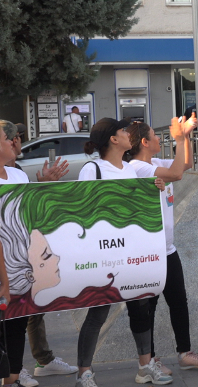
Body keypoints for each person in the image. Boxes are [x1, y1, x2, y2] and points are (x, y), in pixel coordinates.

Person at [76, 118, 172, 387]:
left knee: (140, 307)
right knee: (98, 313)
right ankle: (84, 372)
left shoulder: (130, 169)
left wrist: (154, 190)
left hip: (131, 253)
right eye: (122, 131)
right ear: (112, 139)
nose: (128, 134)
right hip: (103, 255)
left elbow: (140, 205)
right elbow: (84, 210)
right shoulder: (93, 169)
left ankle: (145, 367)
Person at [125, 115, 198, 373]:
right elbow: (176, 173)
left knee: (179, 302)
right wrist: (177, 137)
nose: (158, 139)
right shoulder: (136, 168)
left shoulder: (154, 163)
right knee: (147, 308)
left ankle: (185, 353)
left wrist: (185, 136)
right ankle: (149, 359)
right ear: (144, 141)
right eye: (155, 135)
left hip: (167, 249)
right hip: (147, 251)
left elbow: (184, 164)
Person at [0, 121, 76, 387]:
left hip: (19, 272)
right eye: (6, 139)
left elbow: (29, 216)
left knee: (17, 325)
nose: (13, 142)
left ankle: (15, 371)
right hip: (2, 272)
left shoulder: (19, 177)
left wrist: (42, 186)